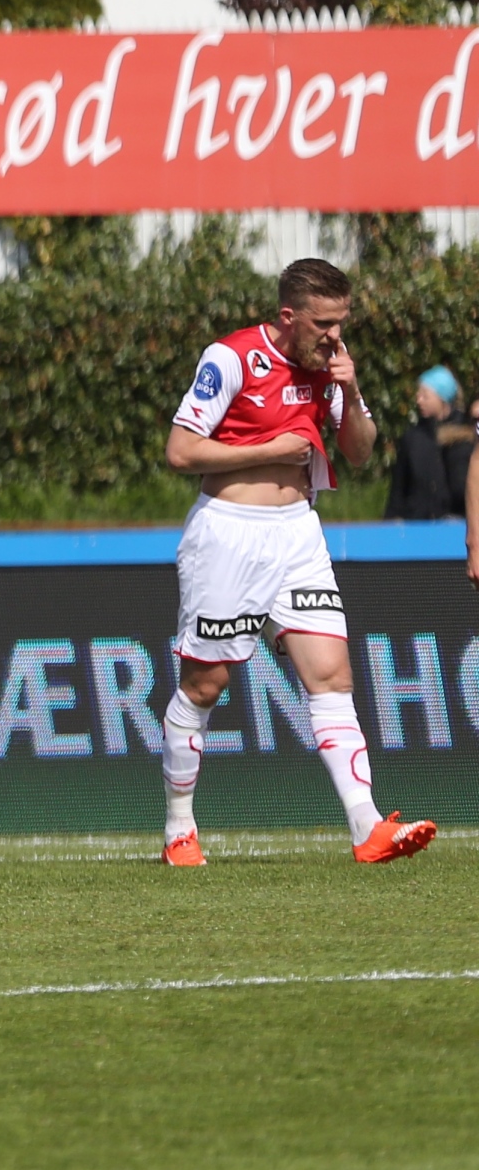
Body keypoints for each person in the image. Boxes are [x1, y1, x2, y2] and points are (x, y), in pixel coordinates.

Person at [156, 259, 433, 869]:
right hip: (229, 535)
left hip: (299, 534)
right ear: (289, 317)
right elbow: (180, 451)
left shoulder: (329, 372)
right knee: (206, 685)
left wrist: (352, 391)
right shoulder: (230, 358)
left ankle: (367, 827)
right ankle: (179, 827)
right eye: (324, 324)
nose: (335, 336)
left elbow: (358, 456)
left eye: (341, 324)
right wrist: (270, 447)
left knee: (332, 675)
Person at [384, 367, 471, 523]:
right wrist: (392, 520)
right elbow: (399, 488)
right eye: (418, 395)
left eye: (425, 395)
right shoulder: (413, 438)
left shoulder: (465, 435)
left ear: (442, 398)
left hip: (456, 526)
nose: (419, 400)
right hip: (417, 526)